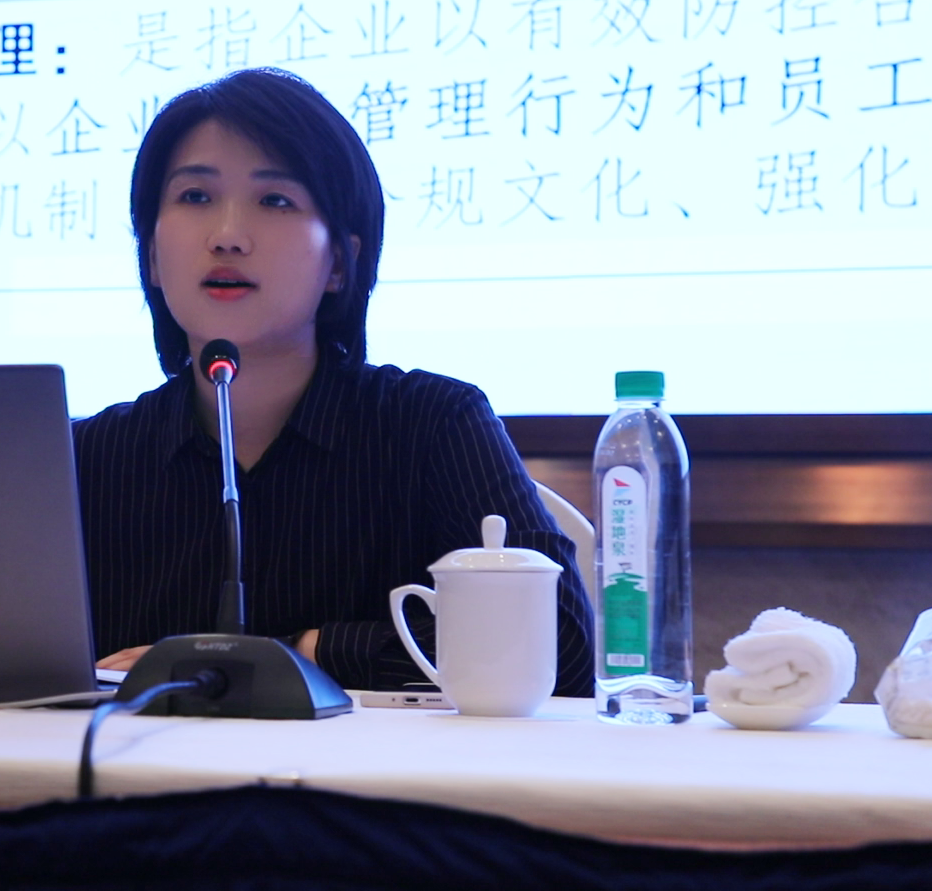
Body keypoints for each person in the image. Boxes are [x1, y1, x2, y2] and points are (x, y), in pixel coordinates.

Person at [73, 68, 594, 695]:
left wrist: (301, 652)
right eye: (194, 196)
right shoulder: (86, 458)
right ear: (153, 256)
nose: (227, 236)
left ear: (340, 264)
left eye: (275, 201)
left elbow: (558, 646)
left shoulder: (432, 425)